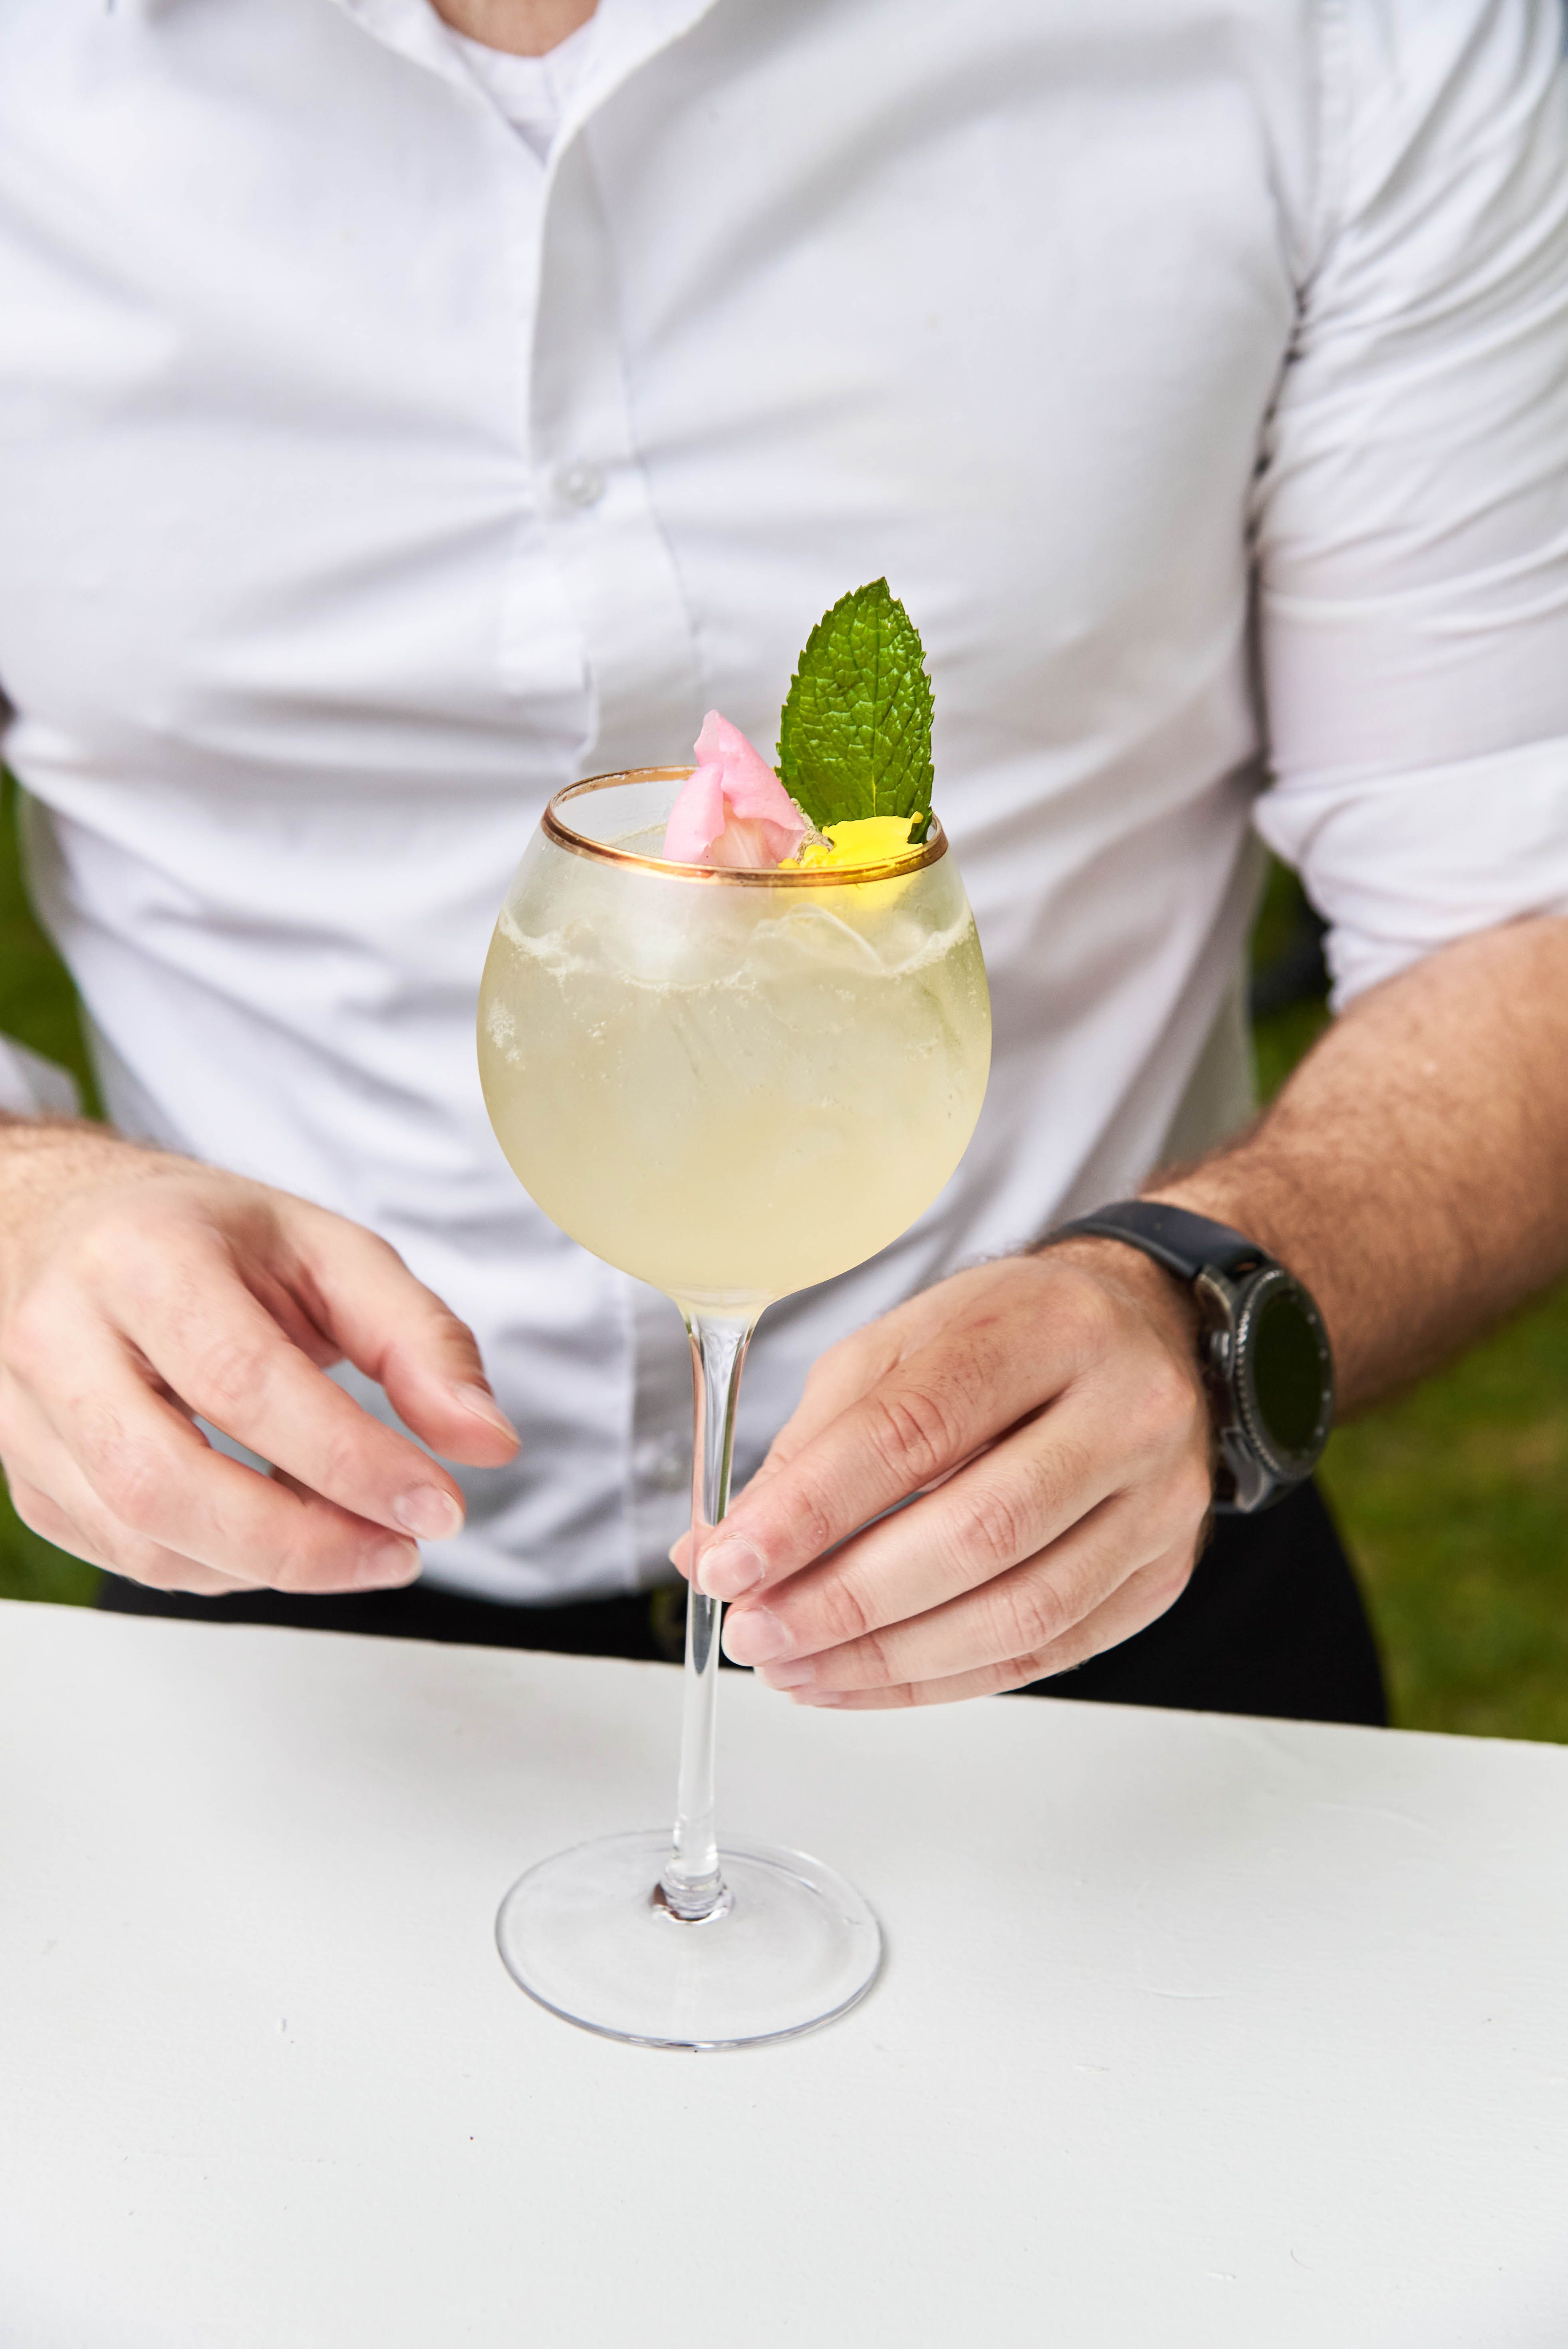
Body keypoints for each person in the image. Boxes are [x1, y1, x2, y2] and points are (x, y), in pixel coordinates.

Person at [0, 0, 1565, 1726]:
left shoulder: (1344, 35)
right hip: (258, 1618)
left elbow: (1515, 904)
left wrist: (1205, 1309)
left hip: (1108, 1565)